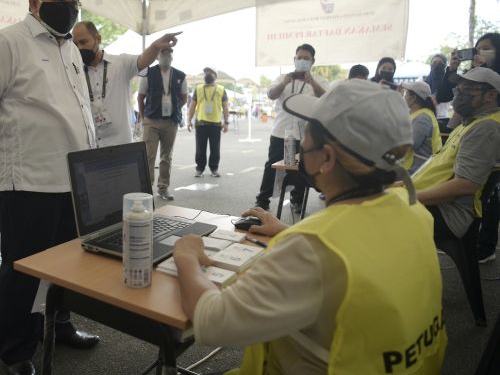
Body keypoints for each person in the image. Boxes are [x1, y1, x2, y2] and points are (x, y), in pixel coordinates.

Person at [173, 80, 446, 374]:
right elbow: (361, 251)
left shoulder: (312, 248)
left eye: (308, 132)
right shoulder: (412, 207)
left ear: (326, 158)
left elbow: (213, 323)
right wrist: (288, 232)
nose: (302, 142)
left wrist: (187, 255)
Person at [0, 0, 100, 375]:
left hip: (73, 181)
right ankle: (17, 350)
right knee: (23, 270)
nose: (70, 5)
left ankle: (60, 325)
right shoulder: (6, 43)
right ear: (34, 2)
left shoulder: (70, 48)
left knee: (68, 264)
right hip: (29, 182)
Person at [413, 66, 500, 263]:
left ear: (491, 95)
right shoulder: (471, 123)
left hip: (450, 214)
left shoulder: (486, 128)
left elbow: (465, 185)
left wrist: (408, 197)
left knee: (374, 213)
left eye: (468, 89)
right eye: (458, 88)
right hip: (435, 202)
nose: (459, 93)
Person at [71, 21, 180, 147]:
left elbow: (143, 60)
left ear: (98, 39)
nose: (79, 48)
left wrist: (155, 47)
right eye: (75, 44)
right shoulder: (75, 72)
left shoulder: (120, 63)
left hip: (121, 146)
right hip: (90, 147)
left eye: (83, 42)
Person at [254, 43, 328, 212]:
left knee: (302, 168)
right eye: (299, 58)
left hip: (305, 134)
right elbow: (271, 95)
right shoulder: (283, 78)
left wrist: (313, 83)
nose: (302, 61)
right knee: (273, 166)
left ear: (313, 61)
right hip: (282, 131)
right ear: (294, 59)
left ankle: (297, 200)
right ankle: (263, 200)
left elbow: (326, 100)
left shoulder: (319, 80)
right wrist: (284, 82)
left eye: (306, 58)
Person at [137, 48, 188, 201]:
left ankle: (163, 187)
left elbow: (184, 98)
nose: (166, 56)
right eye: (163, 54)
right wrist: (142, 117)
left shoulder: (180, 75)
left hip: (170, 122)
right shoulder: (148, 73)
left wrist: (174, 108)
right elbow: (140, 97)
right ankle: (147, 189)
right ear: (158, 56)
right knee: (148, 156)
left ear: (172, 56)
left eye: (168, 54)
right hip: (151, 121)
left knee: (167, 156)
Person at [187, 67, 229, 177]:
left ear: (215, 75)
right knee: (200, 149)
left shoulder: (221, 89)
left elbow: (225, 107)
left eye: (210, 72)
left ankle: (214, 168)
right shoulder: (198, 88)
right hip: (201, 123)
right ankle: (200, 168)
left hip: (215, 124)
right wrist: (189, 120)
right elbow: (192, 105)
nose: (207, 74)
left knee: (215, 149)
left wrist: (226, 122)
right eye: (205, 72)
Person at [401, 80, 442, 174]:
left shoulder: (423, 118)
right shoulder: (416, 114)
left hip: (416, 169)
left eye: (406, 93)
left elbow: (411, 144)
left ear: (413, 98)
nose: (404, 96)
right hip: (410, 165)